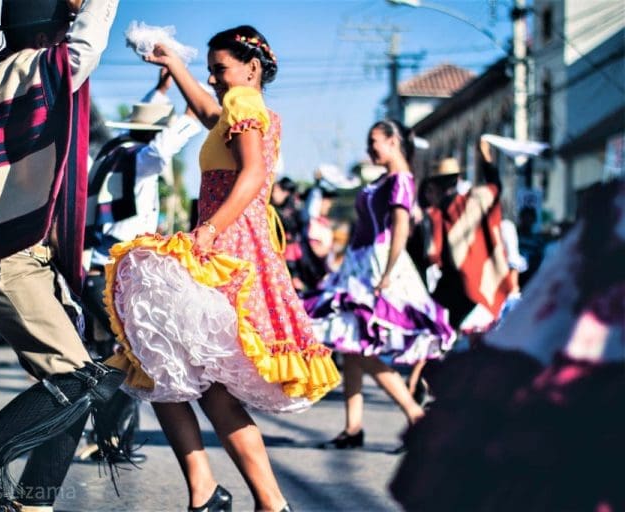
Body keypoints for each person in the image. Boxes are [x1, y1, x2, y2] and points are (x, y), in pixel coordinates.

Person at [104, 25, 340, 511]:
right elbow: (211, 113)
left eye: (220, 69)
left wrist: (208, 232)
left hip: (226, 247)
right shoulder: (243, 107)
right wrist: (176, 67)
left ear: (251, 68)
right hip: (236, 244)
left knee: (169, 366)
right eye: (211, 70)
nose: (214, 79)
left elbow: (252, 173)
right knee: (178, 372)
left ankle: (233, 496)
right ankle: (237, 498)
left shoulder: (243, 103)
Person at [0, 2, 125, 511]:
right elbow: (88, 43)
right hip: (9, 257)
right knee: (80, 381)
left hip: (4, 259)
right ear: (53, 28)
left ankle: (33, 502)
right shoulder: (35, 70)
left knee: (72, 390)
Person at [390, 179, 624, 512]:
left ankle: (413, 394)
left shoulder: (503, 228)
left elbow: (510, 268)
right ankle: (413, 394)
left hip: (505, 301)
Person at [305, 119, 455, 450]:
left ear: (393, 141)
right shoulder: (386, 178)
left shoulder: (401, 179)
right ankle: (353, 427)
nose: (369, 147)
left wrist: (387, 272)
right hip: (359, 265)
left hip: (379, 263)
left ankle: (416, 415)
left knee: (359, 347)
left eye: (374, 141)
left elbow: (401, 227)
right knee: (350, 347)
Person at [80, 69, 201, 464]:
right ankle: (112, 439)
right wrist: (191, 112)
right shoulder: (143, 158)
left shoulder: (116, 150)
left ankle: (112, 438)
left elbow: (153, 130)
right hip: (117, 271)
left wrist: (162, 89)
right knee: (128, 356)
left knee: (114, 354)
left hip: (98, 267)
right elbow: (165, 145)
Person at [424, 141, 513, 333]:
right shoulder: (475, 199)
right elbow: (495, 186)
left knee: (436, 331)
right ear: (458, 179)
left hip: (454, 286)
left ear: (436, 187)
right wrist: (486, 159)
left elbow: (432, 254)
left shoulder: (436, 214)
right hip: (480, 283)